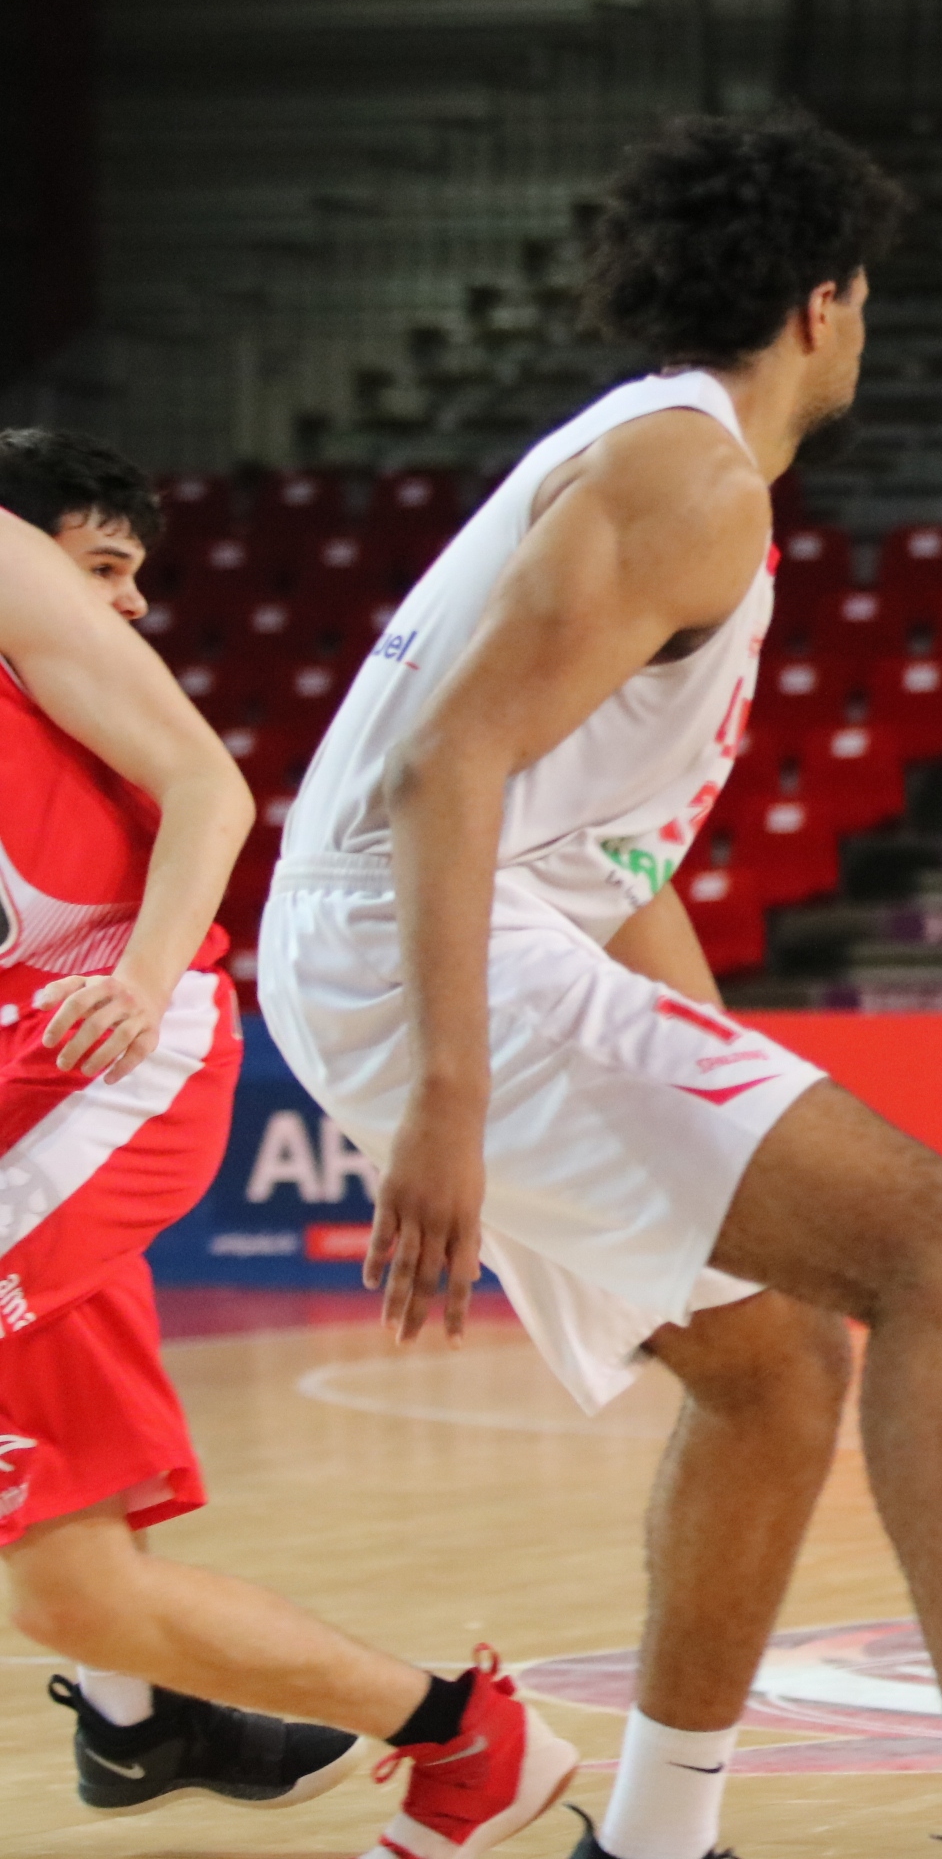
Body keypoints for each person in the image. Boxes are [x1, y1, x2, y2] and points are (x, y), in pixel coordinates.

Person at [260, 114, 942, 1859]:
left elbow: (610, 853)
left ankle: (654, 1837)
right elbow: (448, 767)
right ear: (825, 303)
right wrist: (453, 1093)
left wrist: (720, 1072)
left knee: (775, 1370)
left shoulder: (654, 458)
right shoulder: (692, 480)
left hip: (435, 932)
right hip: (420, 938)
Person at [0, 438, 575, 1853]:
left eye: (132, 574)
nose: (128, 606)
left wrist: (135, 984)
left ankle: (400, 1723)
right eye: (107, 568)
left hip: (110, 1049)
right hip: (24, 1090)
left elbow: (211, 787)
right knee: (71, 1586)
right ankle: (168, 1722)